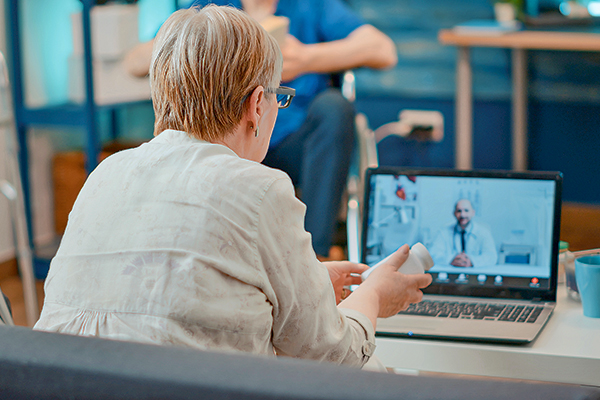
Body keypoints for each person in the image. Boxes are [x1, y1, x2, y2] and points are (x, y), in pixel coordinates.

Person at [35, 6, 430, 368]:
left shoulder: (105, 173)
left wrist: (303, 285)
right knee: (378, 370)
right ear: (258, 104)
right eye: (280, 98)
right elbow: (333, 355)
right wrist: (375, 296)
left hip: (60, 383)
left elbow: (166, 292)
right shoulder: (261, 190)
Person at [124, 0, 397, 259]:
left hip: (295, 141)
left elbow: (383, 50)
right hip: (228, 138)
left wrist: (306, 58)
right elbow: (135, 61)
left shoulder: (312, 6)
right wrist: (210, 48)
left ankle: (315, 255)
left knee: (334, 108)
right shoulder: (213, 7)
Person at [429, 199, 497, 268]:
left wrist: (472, 261)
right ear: (454, 213)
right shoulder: (444, 232)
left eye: (466, 210)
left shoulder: (484, 232)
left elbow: (491, 257)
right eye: (459, 211)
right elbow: (433, 254)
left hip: (475, 276)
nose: (462, 214)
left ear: (473, 213)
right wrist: (451, 259)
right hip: (451, 275)